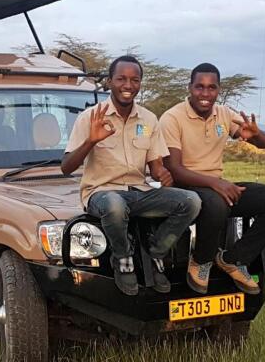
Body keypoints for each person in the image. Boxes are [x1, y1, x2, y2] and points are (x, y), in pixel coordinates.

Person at [61, 55, 201, 296]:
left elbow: (155, 165)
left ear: (140, 83)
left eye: (135, 80)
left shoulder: (148, 119)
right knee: (114, 205)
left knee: (191, 201)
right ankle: (123, 259)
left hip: (139, 192)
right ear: (110, 82)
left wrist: (163, 173)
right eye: (121, 79)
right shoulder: (91, 118)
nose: (128, 85)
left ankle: (155, 252)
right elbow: (66, 167)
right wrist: (91, 141)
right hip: (101, 193)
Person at [160, 62, 265, 295]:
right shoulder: (172, 118)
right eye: (199, 87)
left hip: (217, 187)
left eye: (211, 88)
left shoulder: (223, 114)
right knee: (215, 202)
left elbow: (262, 143)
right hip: (185, 188)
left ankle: (233, 258)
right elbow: (174, 169)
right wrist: (216, 183)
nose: (205, 94)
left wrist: (257, 135)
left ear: (219, 90)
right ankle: (201, 260)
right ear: (189, 88)